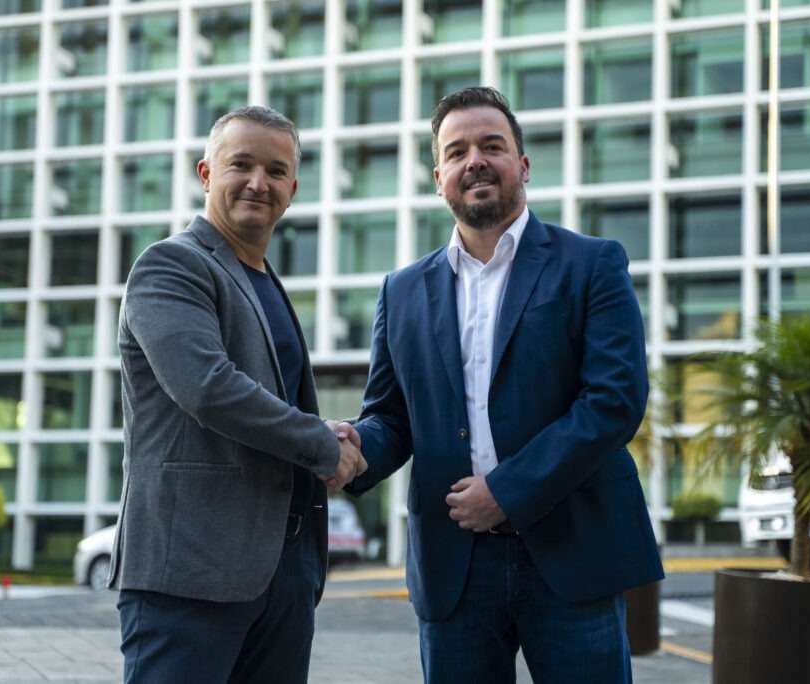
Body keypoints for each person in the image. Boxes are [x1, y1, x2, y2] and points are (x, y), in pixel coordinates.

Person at [344, 87, 664, 683]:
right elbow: (390, 419)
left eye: (492, 145)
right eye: (457, 151)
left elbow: (614, 401)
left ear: (523, 164)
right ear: (438, 175)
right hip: (454, 568)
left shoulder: (591, 263)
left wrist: (507, 491)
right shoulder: (401, 291)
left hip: (573, 554)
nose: (476, 161)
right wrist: (349, 451)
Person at [109, 105, 365, 684]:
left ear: (292, 189)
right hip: (190, 576)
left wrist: (339, 436)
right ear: (205, 173)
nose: (258, 182)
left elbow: (279, 405)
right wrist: (323, 443)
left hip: (283, 577)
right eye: (240, 165)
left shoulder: (268, 282)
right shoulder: (171, 265)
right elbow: (209, 387)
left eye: (276, 171)